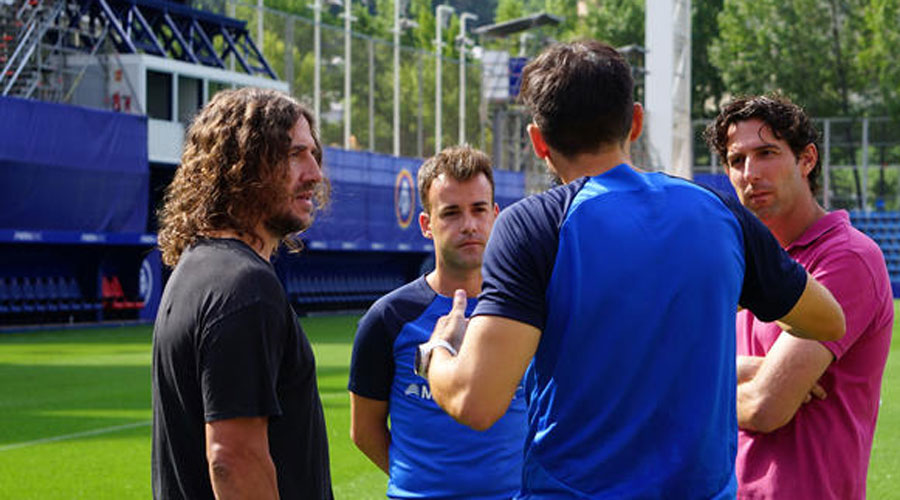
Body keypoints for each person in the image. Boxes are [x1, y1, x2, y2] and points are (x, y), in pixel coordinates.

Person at [417, 40, 846, 499]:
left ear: (538, 140)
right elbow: (827, 320)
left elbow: (474, 401)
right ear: (635, 121)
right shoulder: (717, 213)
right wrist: (722, 296)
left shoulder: (534, 225)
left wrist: (437, 350)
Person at [705, 95, 893, 499]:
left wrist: (691, 392)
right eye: (737, 161)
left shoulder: (848, 258)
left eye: (767, 153)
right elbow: (683, 356)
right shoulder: (734, 260)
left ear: (806, 159)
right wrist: (745, 370)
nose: (750, 173)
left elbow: (765, 407)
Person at [151, 87, 333, 500]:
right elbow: (233, 460)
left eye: (312, 154)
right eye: (293, 155)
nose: (314, 174)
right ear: (244, 166)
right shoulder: (244, 286)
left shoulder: (195, 269)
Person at [347, 145, 527, 499]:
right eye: (451, 214)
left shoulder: (526, 309)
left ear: (495, 215)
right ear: (427, 225)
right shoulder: (388, 319)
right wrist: (420, 483)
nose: (469, 225)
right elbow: (364, 430)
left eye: (478, 210)